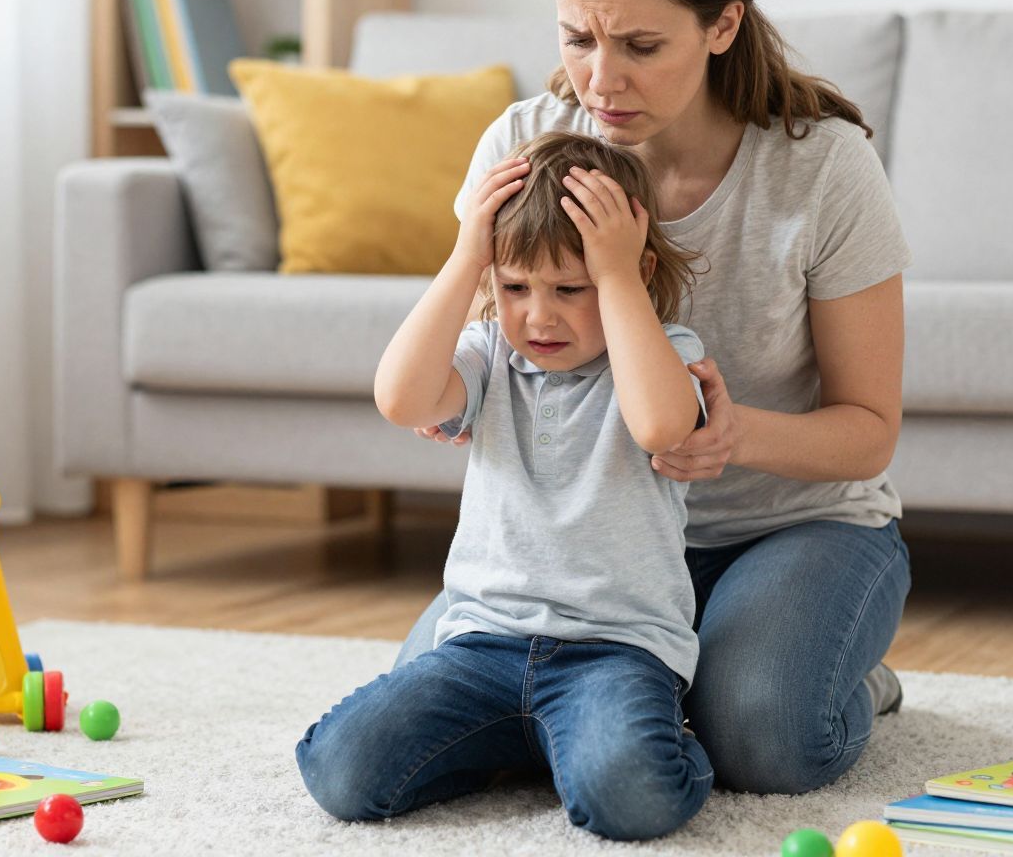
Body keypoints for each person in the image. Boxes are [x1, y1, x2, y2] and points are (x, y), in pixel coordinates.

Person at [399, 0, 914, 796]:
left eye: (640, 45)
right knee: (423, 702)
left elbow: (869, 429)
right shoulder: (526, 147)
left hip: (790, 528)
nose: (601, 79)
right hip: (586, 555)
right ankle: (650, 687)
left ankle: (845, 678)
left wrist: (734, 436)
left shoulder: (823, 169)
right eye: (578, 38)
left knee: (759, 736)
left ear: (723, 24)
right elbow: (489, 351)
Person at [296, 131, 714, 840]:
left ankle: (664, 739)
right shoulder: (489, 354)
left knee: (631, 797)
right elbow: (400, 399)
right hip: (481, 646)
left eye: (569, 289)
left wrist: (615, 281)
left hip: (612, 653)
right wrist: (467, 257)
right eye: (515, 287)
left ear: (634, 272)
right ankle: (528, 747)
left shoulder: (665, 354)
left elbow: (660, 426)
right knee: (340, 770)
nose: (539, 316)